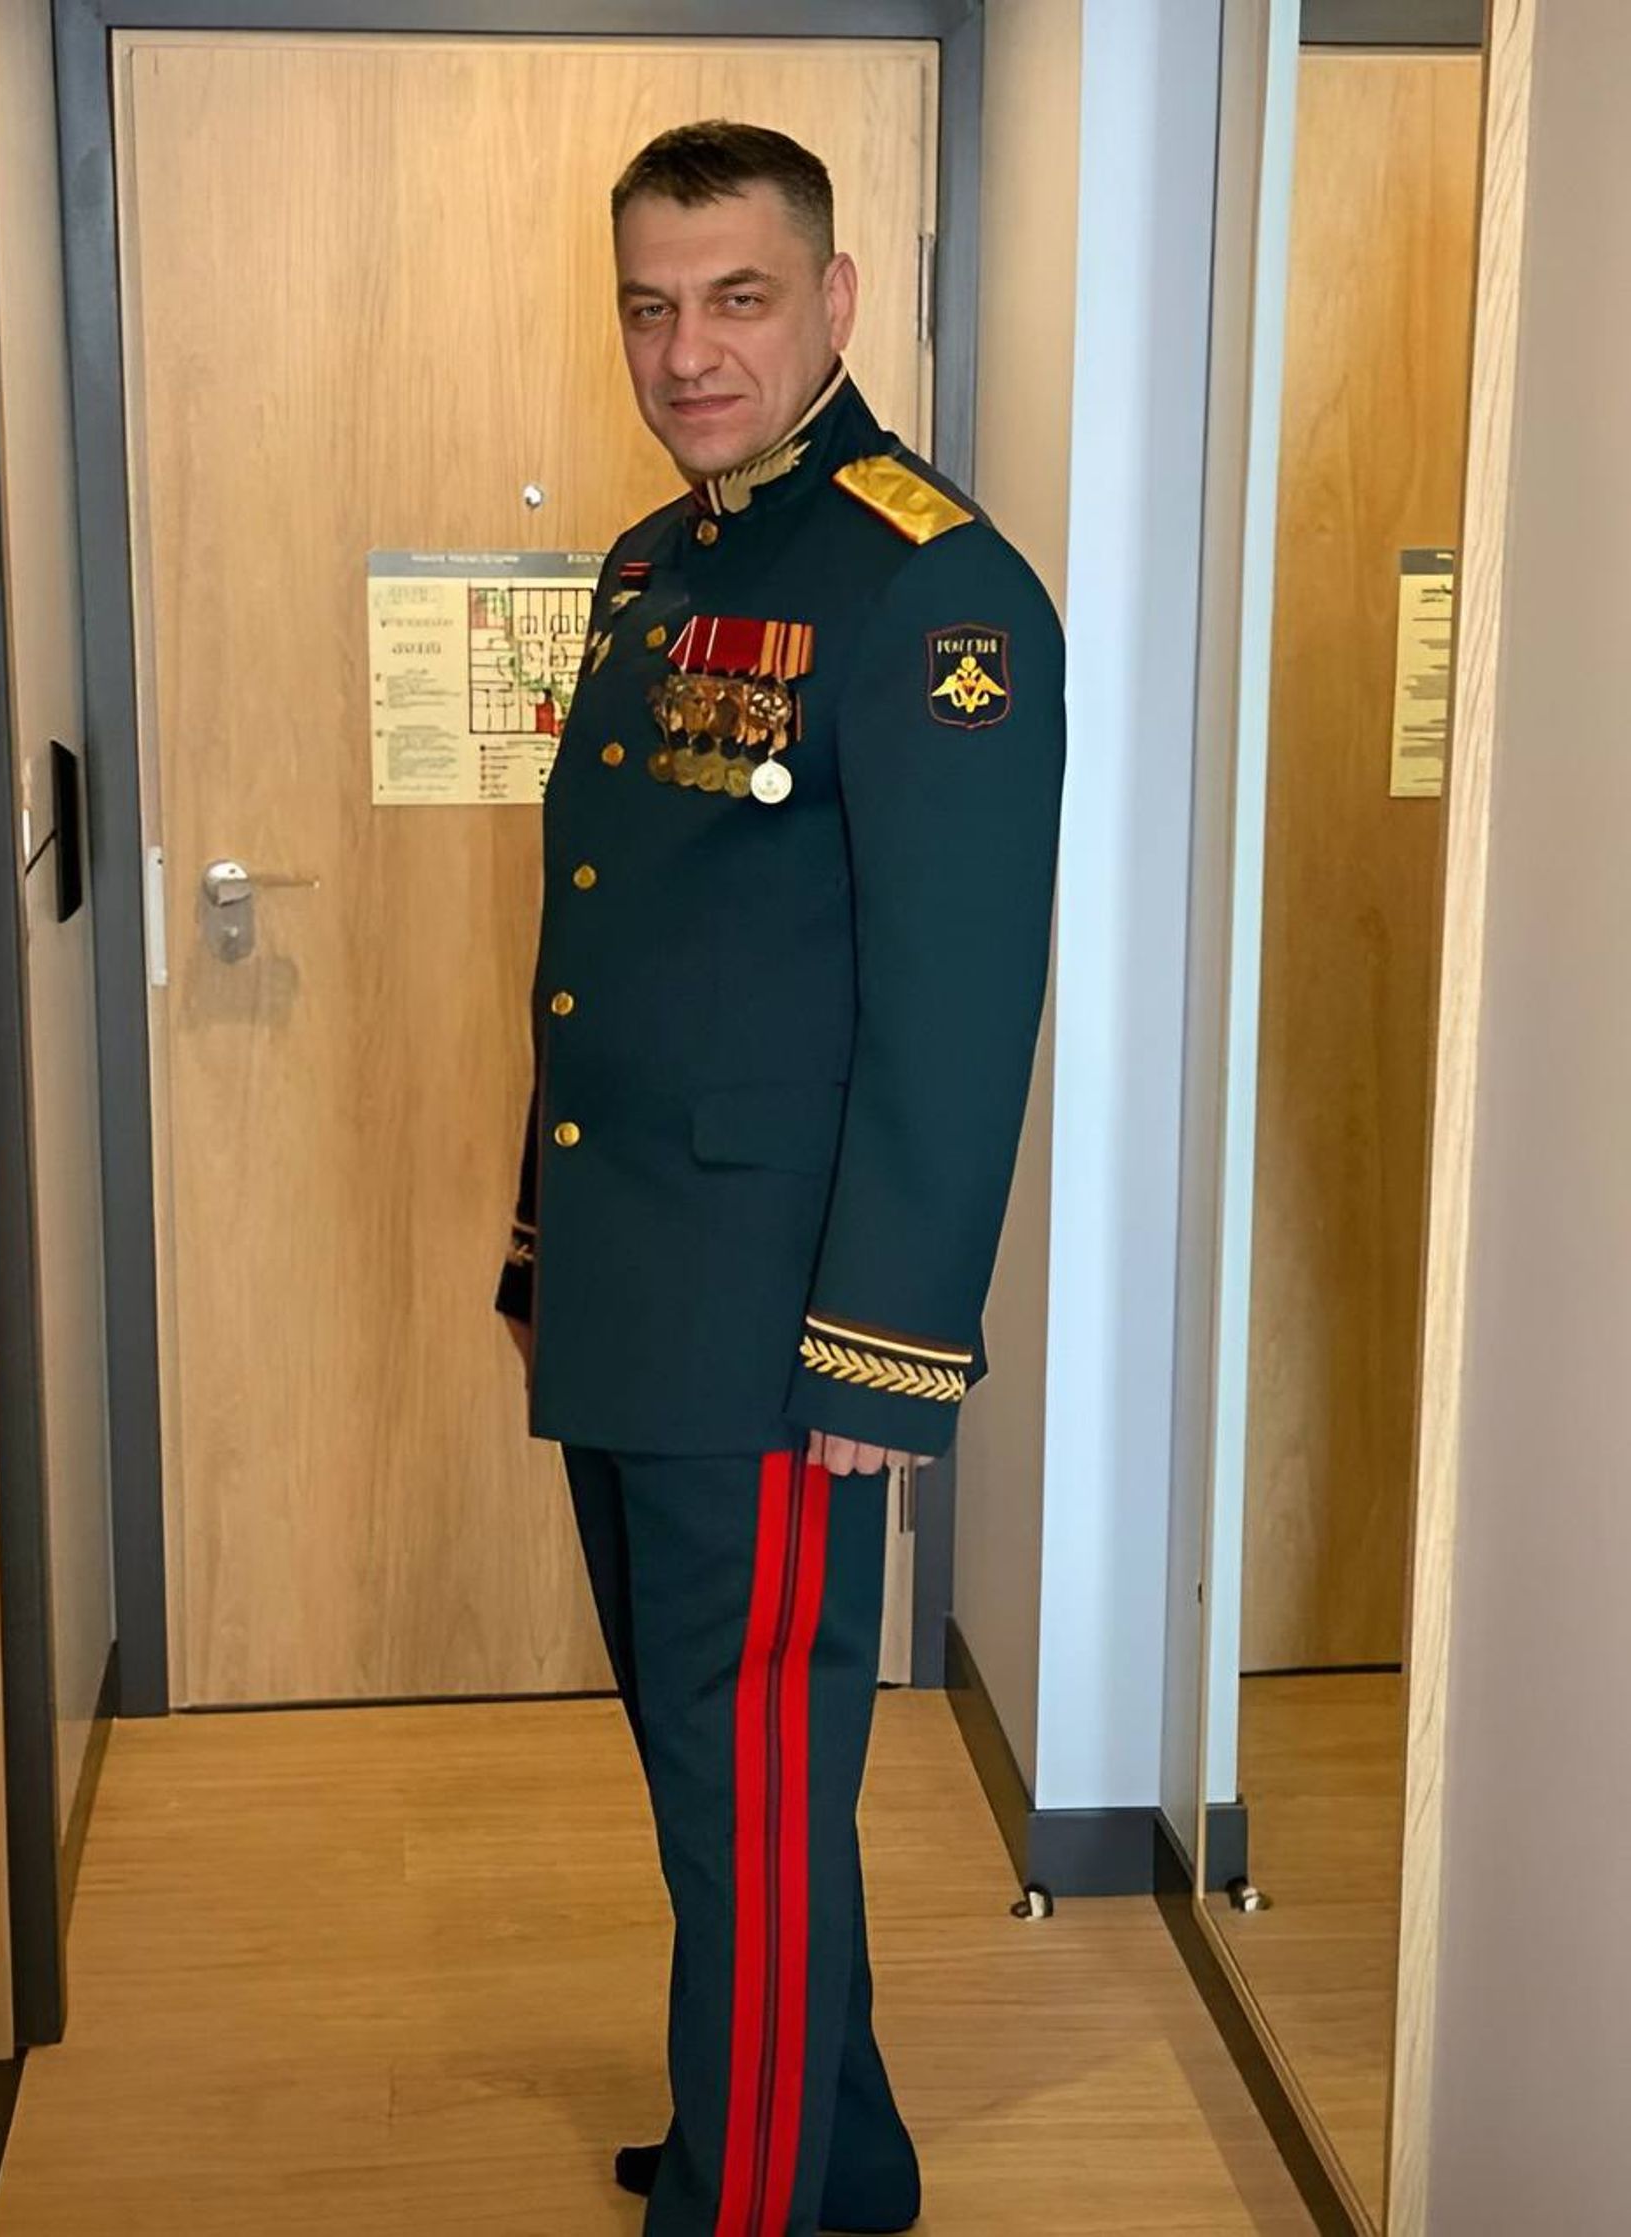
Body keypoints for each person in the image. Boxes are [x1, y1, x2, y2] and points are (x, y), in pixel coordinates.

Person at [495, 120, 1066, 2237]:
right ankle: (834, 2152)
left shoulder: (931, 589)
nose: (687, 351)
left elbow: (955, 1003)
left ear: (833, 299)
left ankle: (742, 2201)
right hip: (635, 1283)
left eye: (736, 299)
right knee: (711, 1777)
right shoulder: (659, 566)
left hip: (776, 1320)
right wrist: (542, 1241)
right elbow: (608, 938)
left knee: (746, 1790)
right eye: (649, 305)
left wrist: (883, 1351)